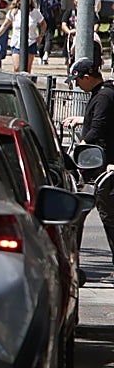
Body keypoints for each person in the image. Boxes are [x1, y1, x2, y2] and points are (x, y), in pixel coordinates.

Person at [63, 57, 114, 275]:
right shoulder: (104, 93)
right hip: (101, 164)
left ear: (86, 77)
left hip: (103, 165)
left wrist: (82, 147)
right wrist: (80, 119)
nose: (76, 85)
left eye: (77, 80)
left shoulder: (104, 96)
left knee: (108, 216)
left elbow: (100, 127)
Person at [0, 0, 44, 73]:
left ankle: (26, 84)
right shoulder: (13, 12)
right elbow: (5, 25)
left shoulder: (35, 12)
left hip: (30, 42)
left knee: (27, 69)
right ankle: (16, 83)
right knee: (17, 67)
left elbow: (43, 24)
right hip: (16, 43)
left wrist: (41, 36)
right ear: (19, 0)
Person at [37, 0, 61, 64]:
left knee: (41, 35)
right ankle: (46, 54)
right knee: (49, 36)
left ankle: (40, 55)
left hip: (41, 17)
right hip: (51, 17)